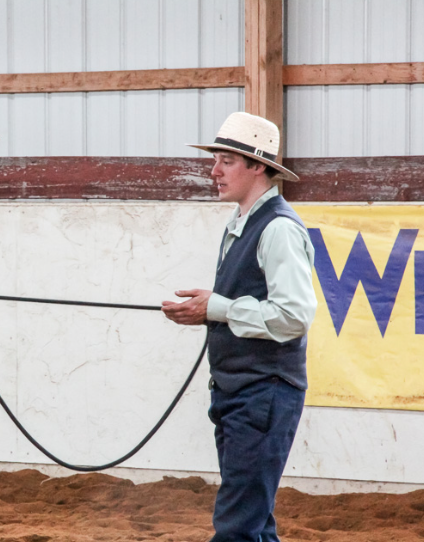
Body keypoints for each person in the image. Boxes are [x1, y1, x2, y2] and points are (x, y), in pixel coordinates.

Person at [161, 112, 316, 542]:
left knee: (238, 527)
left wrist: (220, 308)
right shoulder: (243, 224)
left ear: (258, 166)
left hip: (262, 393)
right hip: (242, 392)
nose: (214, 170)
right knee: (254, 524)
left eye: (227, 160)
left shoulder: (278, 230)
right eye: (217, 159)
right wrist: (208, 311)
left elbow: (295, 316)